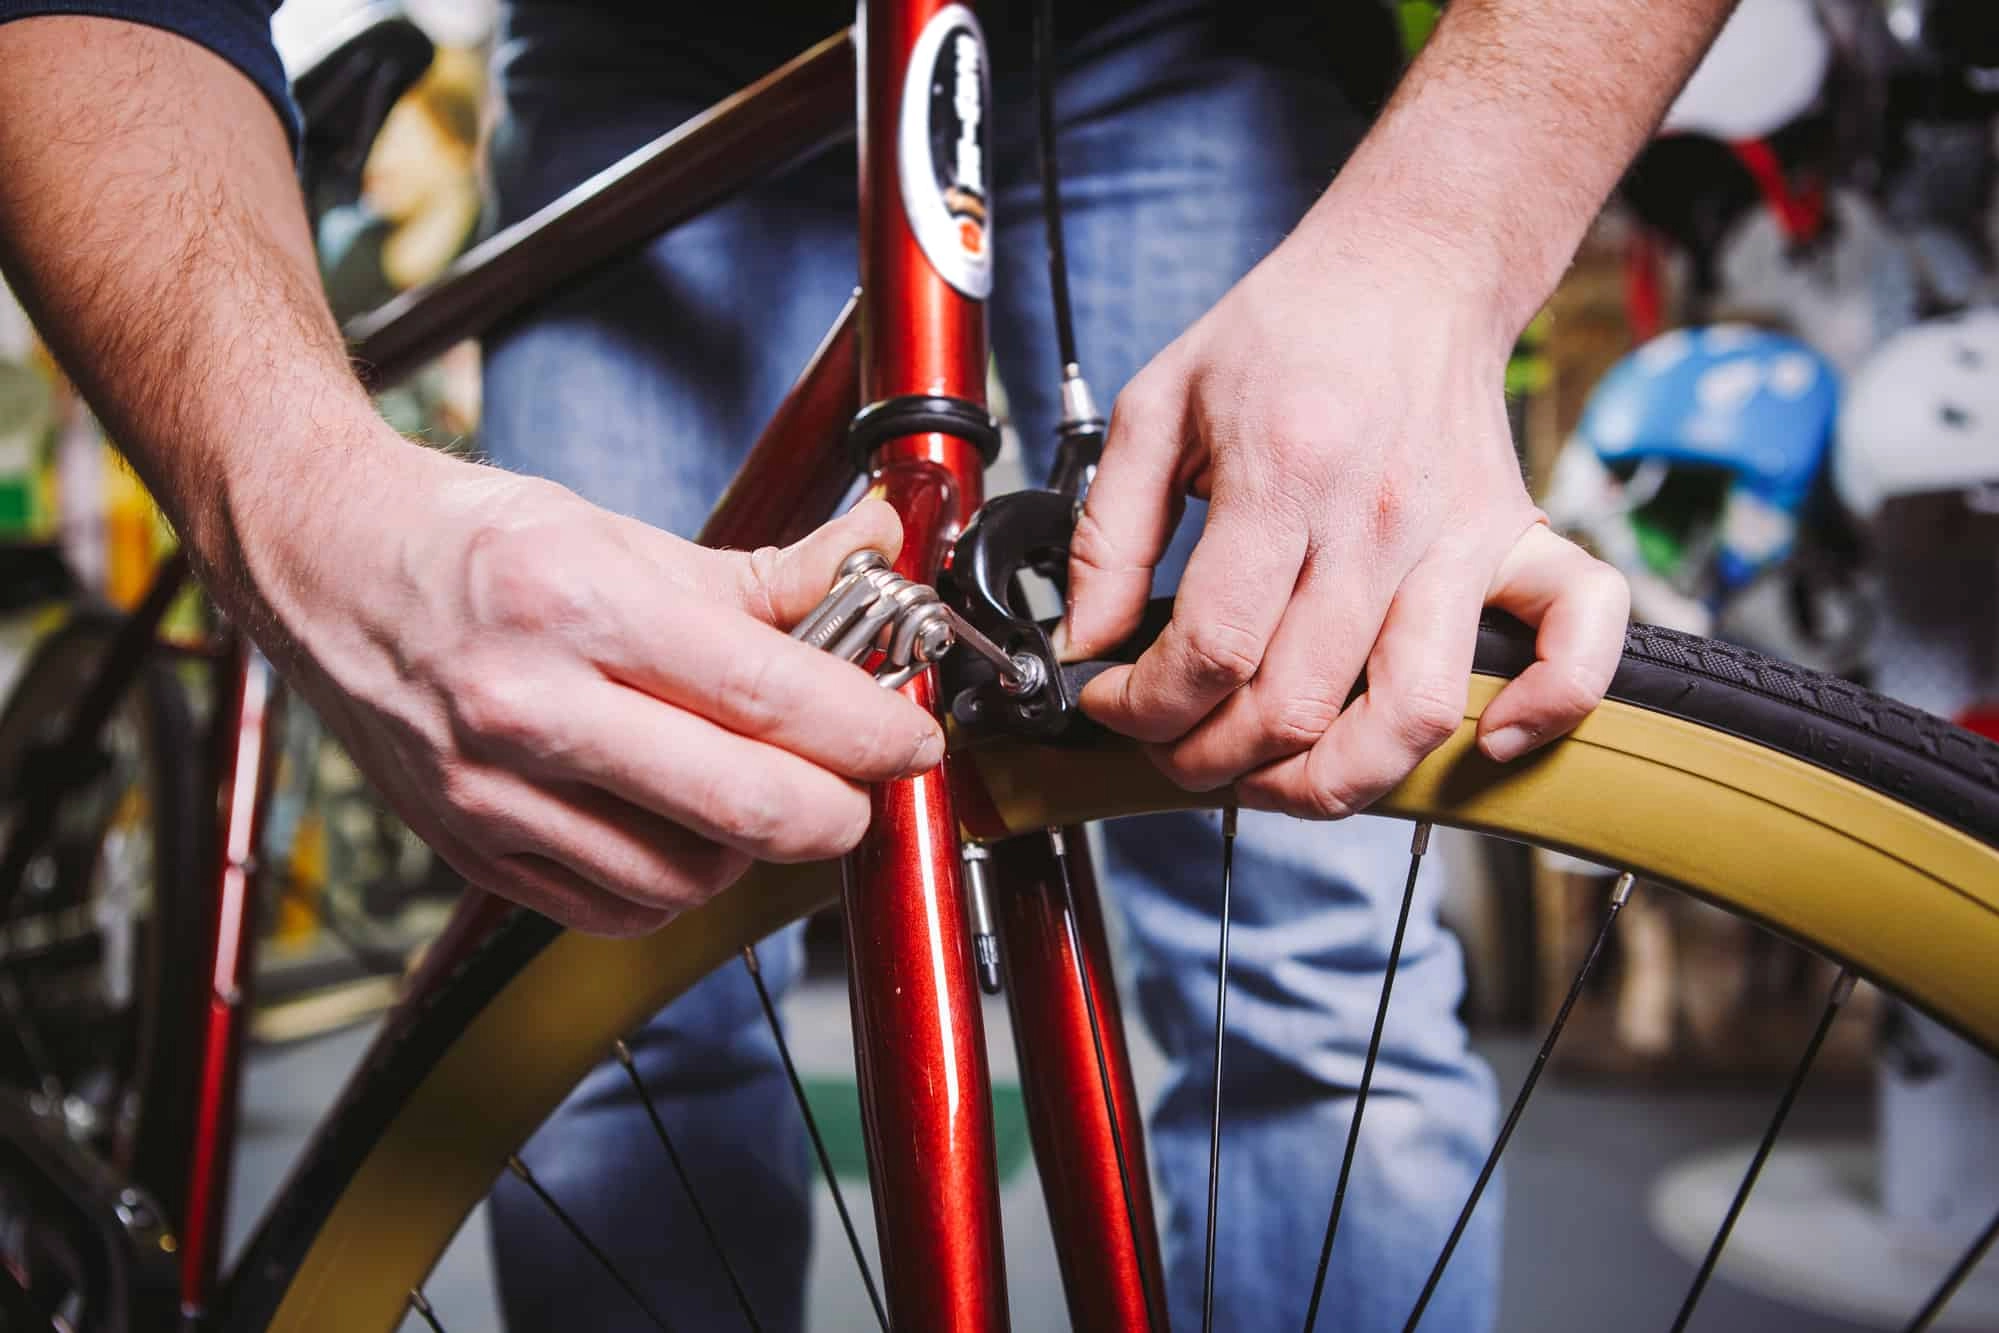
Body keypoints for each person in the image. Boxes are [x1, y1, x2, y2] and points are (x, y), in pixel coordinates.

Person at [0, 1, 1728, 1327]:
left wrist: (1443, 243)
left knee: (1301, 949)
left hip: (1211, 36)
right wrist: (293, 499)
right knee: (605, 925)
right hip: (643, 54)